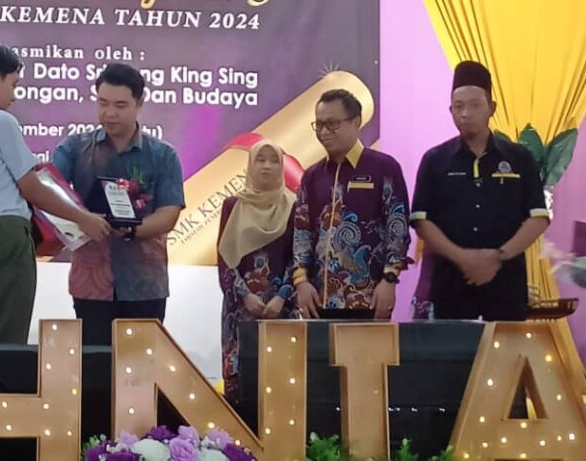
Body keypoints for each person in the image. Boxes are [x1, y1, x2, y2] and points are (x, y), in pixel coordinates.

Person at [0, 43, 111, 344]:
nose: (15, 95)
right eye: (14, 84)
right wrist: (82, 218)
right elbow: (31, 187)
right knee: (6, 337)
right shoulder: (0, 121)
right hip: (9, 235)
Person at [52, 63, 185, 346]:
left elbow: (169, 214)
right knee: (93, 365)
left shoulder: (163, 155)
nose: (109, 113)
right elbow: (49, 194)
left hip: (144, 282)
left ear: (140, 103)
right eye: (103, 103)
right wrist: (83, 219)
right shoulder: (74, 148)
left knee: (139, 365)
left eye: (120, 105)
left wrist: (132, 230)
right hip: (91, 281)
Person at [410, 61, 550, 321]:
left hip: (506, 285)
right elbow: (421, 221)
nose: (465, 113)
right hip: (451, 285)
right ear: (450, 110)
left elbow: (539, 217)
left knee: (505, 347)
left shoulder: (519, 157)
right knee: (455, 347)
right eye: (458, 106)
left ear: (491, 108)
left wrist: (497, 257)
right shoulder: (435, 160)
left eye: (475, 105)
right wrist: (463, 258)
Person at [292, 89, 411, 319]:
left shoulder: (383, 168)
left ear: (356, 122)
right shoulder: (312, 176)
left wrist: (389, 280)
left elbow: (397, 228)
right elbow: (302, 233)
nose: (324, 132)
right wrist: (301, 282)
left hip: (369, 297)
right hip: (318, 299)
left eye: (332, 124)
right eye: (319, 125)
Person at [217, 139, 299, 405]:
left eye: (274, 160)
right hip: (240, 310)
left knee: (281, 380)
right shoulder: (233, 206)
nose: (266, 166)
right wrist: (245, 296)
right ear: (250, 165)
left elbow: (299, 257)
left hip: (281, 309)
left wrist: (282, 297)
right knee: (240, 382)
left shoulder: (294, 205)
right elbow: (225, 259)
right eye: (260, 160)